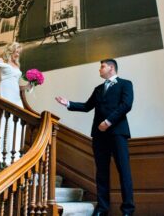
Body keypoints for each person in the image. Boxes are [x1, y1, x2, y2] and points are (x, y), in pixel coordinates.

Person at [55, 59, 135, 216]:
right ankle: (102, 208)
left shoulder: (126, 84)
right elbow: (86, 106)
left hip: (118, 133)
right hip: (99, 136)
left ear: (111, 68)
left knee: (124, 171)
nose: (100, 69)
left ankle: (128, 210)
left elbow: (126, 105)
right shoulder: (98, 89)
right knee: (101, 173)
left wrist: (108, 121)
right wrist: (68, 103)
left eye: (102, 66)